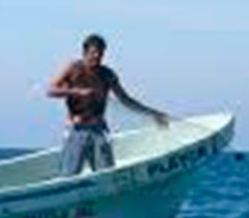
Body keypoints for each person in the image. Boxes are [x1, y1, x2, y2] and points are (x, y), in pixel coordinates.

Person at [47, 34, 169, 175]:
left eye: (100, 53)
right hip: (77, 129)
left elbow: (126, 100)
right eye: (93, 53)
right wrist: (77, 92)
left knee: (107, 173)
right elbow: (51, 90)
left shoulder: (107, 74)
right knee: (69, 175)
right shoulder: (73, 68)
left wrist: (153, 113)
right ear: (84, 53)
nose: (97, 56)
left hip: (99, 130)